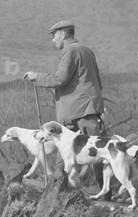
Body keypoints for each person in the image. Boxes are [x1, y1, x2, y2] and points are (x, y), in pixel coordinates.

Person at [24, 20, 107, 188]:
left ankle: (59, 191)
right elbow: (97, 80)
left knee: (67, 151)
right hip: (90, 108)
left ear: (62, 34)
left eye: (54, 35)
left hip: (76, 112)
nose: (52, 40)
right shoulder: (87, 51)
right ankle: (105, 191)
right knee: (100, 152)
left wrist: (37, 77)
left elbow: (61, 78)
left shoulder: (69, 51)